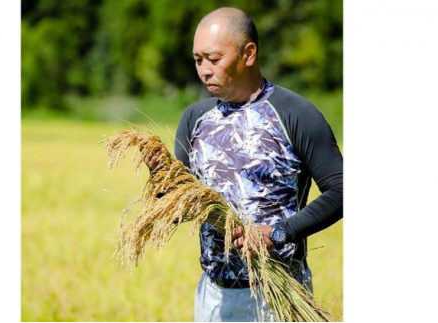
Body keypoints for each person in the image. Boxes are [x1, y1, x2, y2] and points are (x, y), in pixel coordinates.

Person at [141, 7, 343, 322]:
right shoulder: (194, 119)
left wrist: (277, 233)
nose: (204, 70)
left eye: (214, 59)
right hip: (214, 298)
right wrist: (160, 177)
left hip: (280, 295)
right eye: (198, 60)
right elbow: (180, 210)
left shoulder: (295, 114)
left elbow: (342, 191)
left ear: (248, 53)